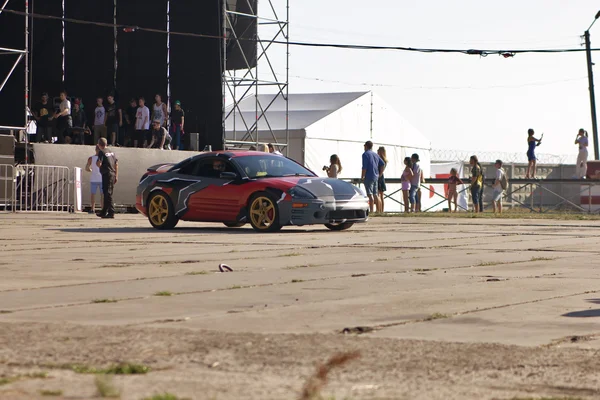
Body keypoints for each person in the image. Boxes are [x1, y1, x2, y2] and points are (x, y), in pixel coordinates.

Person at [96, 138, 118, 219]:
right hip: (112, 173)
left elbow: (99, 163)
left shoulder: (101, 152)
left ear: (99, 145)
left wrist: (98, 164)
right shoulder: (111, 152)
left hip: (106, 174)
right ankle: (104, 211)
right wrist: (116, 175)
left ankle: (111, 211)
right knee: (107, 193)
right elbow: (116, 164)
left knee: (108, 193)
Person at [361, 141, 384, 213]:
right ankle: (378, 210)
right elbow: (382, 164)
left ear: (366, 146)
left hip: (368, 176)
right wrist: (380, 173)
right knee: (375, 194)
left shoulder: (365, 154)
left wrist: (362, 176)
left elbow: (364, 166)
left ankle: (371, 210)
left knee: (369, 194)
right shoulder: (376, 154)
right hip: (375, 176)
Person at [85, 146, 103, 214]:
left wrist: (91, 170)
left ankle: (92, 208)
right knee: (102, 195)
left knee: (93, 194)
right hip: (101, 178)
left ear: (95, 150)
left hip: (94, 178)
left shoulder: (91, 158)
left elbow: (87, 168)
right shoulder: (103, 158)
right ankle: (103, 208)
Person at [376, 147, 388, 213]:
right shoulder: (384, 160)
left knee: (378, 194)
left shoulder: (380, 160)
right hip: (381, 177)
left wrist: (379, 174)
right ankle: (381, 210)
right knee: (381, 195)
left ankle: (379, 209)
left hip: (379, 177)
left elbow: (381, 169)